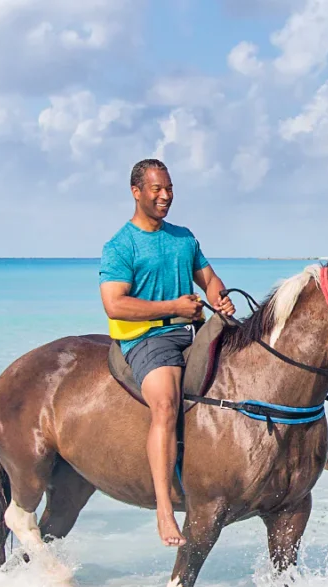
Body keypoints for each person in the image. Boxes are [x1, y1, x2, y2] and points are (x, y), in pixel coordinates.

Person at [100, 159, 235, 546]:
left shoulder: (183, 238)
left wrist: (219, 299)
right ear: (136, 192)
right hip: (146, 339)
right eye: (157, 189)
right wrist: (174, 308)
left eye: (170, 188)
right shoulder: (120, 246)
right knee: (165, 405)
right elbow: (115, 305)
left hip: (191, 329)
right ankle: (163, 509)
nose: (165, 197)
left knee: (256, 363)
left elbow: (209, 279)